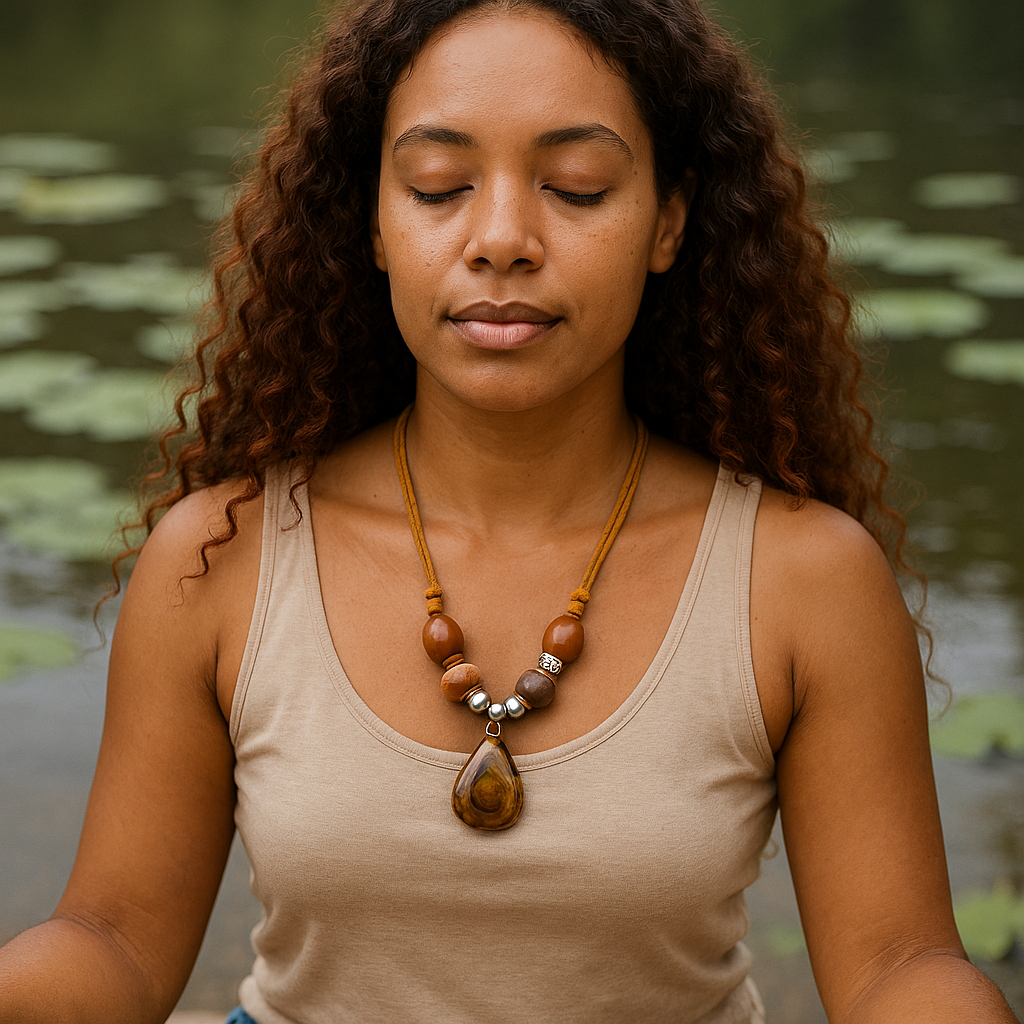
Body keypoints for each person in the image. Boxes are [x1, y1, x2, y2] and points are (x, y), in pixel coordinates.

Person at [0, 0, 1019, 1021]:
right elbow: (116, 940)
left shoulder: (804, 578)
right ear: (372, 221)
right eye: (438, 186)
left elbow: (895, 964)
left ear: (668, 219)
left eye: (575, 187)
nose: (500, 239)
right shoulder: (221, 556)